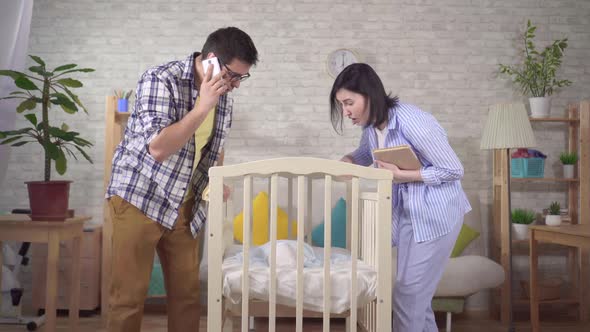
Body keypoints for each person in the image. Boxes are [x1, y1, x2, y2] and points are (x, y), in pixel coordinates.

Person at [105, 27, 258, 332]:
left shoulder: (223, 93)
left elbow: (215, 146)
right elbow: (158, 148)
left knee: (187, 296)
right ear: (212, 60)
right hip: (140, 195)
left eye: (242, 78)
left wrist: (215, 178)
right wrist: (203, 105)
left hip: (183, 202)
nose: (236, 84)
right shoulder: (160, 79)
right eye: (233, 75)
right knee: (129, 297)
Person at [329, 63, 471, 331]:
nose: (346, 112)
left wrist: (403, 176)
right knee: (416, 298)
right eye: (342, 105)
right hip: (408, 214)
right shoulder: (372, 128)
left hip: (436, 215)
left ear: (369, 95)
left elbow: (453, 170)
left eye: (349, 103)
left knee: (408, 293)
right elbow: (365, 155)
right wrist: (347, 161)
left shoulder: (414, 122)